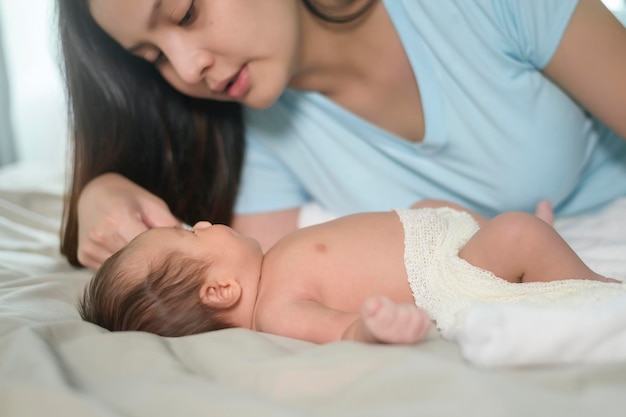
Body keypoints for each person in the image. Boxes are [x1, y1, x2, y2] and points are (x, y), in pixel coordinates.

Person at [57, 0, 626, 270]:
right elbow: (254, 287)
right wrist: (99, 189)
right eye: (152, 55)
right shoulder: (262, 137)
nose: (186, 69)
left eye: (185, 14)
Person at [78, 200, 623, 344]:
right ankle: (592, 287)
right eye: (190, 234)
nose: (200, 220)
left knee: (440, 204)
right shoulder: (277, 310)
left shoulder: (273, 262)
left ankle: (539, 252)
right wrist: (372, 328)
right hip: (448, 272)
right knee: (517, 232)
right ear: (221, 289)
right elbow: (340, 330)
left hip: (438, 234)